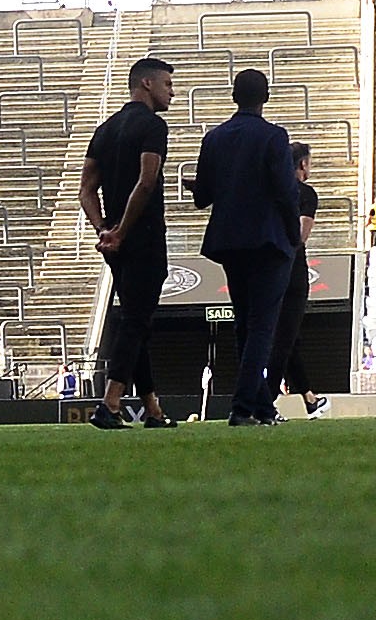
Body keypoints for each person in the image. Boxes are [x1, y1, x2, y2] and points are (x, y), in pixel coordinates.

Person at [185, 65, 313, 423]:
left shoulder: (214, 137)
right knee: (262, 326)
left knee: (244, 323)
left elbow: (203, 197)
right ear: (266, 97)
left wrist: (196, 188)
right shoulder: (274, 137)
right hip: (268, 241)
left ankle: (258, 406)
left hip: (229, 241)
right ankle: (243, 407)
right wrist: (291, 237)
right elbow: (286, 193)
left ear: (233, 96)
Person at [82, 53, 176, 426]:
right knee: (136, 319)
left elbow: (86, 189)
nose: (172, 92)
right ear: (147, 84)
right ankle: (110, 403)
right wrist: (120, 229)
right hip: (144, 235)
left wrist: (103, 228)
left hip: (115, 245)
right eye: (167, 84)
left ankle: (152, 407)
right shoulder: (152, 127)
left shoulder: (105, 128)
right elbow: (147, 180)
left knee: (138, 318)